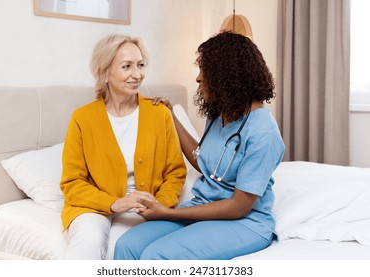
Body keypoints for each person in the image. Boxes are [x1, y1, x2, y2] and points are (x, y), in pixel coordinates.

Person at [114, 31, 285, 260]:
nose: (198, 78)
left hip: (244, 222)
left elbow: (239, 206)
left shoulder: (264, 133)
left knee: (158, 256)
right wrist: (171, 115)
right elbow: (203, 160)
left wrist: (167, 213)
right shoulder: (221, 114)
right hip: (204, 207)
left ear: (225, 74)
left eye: (203, 70)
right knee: (128, 244)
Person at [60, 34, 187, 259]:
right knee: (88, 242)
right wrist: (115, 203)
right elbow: (73, 183)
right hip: (93, 207)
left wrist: (160, 204)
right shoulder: (82, 118)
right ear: (105, 71)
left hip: (148, 207)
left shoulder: (159, 114)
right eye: (126, 66)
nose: (137, 75)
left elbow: (175, 173)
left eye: (140, 65)